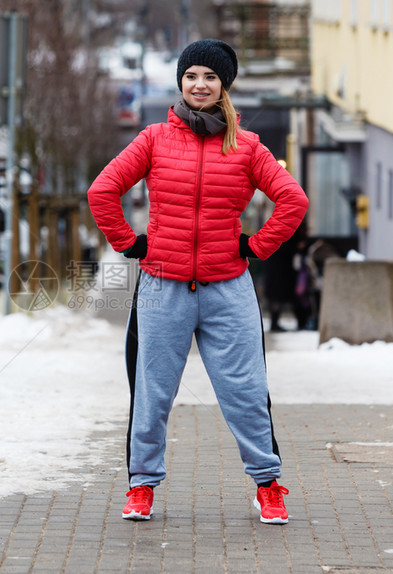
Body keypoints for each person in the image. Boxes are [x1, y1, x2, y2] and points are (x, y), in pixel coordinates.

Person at [87, 39, 308, 524]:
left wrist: (255, 247)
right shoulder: (153, 139)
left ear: (223, 85)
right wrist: (130, 244)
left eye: (210, 77)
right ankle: (141, 486)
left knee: (247, 390)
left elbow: (293, 201)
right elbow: (102, 190)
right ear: (181, 82)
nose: (200, 85)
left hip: (227, 289)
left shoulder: (247, 146)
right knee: (151, 391)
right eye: (191, 76)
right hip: (162, 286)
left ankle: (268, 486)